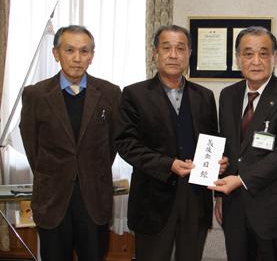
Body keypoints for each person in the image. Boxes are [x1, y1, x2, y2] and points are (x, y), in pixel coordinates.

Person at [115, 25, 227, 261]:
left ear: (189, 54)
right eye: (167, 48)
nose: (173, 55)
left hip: (195, 200)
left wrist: (219, 163)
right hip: (152, 200)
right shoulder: (134, 95)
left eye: (180, 48)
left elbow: (212, 140)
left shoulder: (204, 96)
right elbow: (126, 144)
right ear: (155, 52)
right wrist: (168, 164)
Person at [19, 25, 121, 261]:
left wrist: (91, 168)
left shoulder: (110, 93)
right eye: (69, 50)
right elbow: (32, 146)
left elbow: (113, 143)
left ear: (92, 56)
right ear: (56, 54)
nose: (77, 58)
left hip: (94, 200)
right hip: (52, 200)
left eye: (84, 51)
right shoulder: (35, 94)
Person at [209, 26, 277, 261]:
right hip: (234, 207)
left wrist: (242, 179)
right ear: (237, 59)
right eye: (248, 53)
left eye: (263, 53)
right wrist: (219, 183)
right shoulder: (228, 95)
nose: (256, 61)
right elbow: (228, 147)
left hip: (274, 209)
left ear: (275, 57)